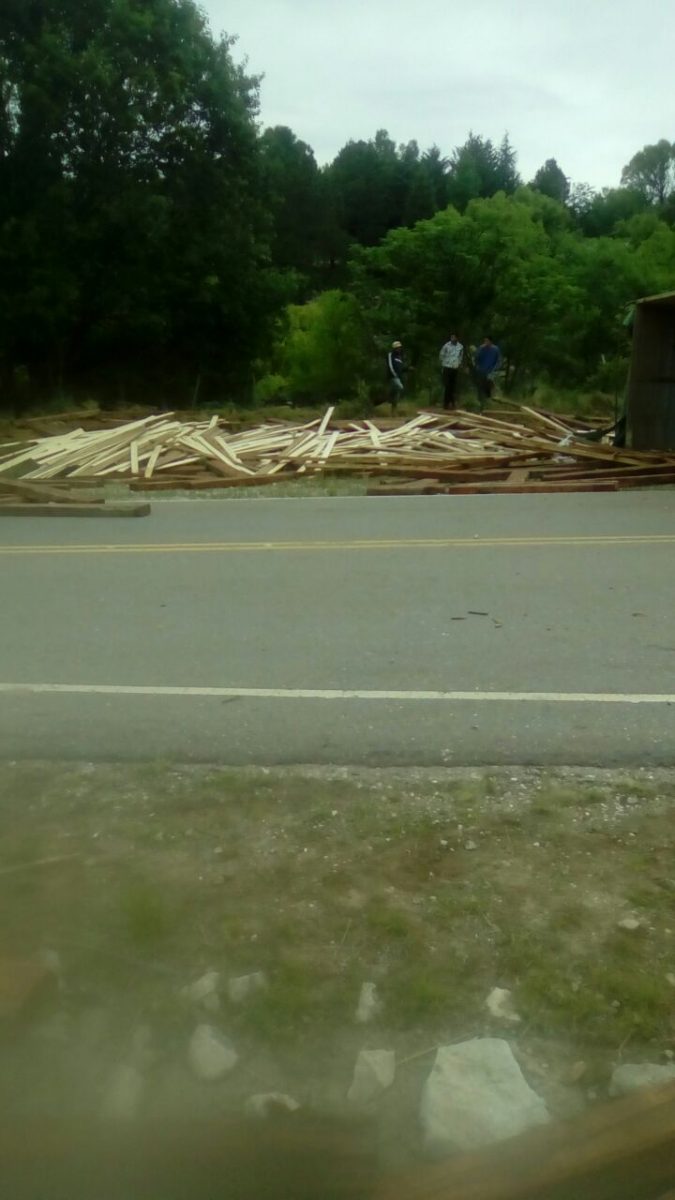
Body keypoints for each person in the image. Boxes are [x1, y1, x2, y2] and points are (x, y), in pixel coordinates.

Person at [473, 336, 502, 411]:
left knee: (489, 385)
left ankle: (488, 400)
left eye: (487, 341)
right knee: (480, 386)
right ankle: (479, 401)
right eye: (485, 341)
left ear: (491, 342)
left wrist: (495, 368)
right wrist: (477, 365)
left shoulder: (495, 349)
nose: (486, 342)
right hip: (481, 370)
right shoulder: (481, 348)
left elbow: (498, 360)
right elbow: (476, 358)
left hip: (491, 371)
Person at [438, 333, 463, 410]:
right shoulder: (446, 345)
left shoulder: (460, 346)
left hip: (454, 368)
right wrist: (443, 363)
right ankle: (446, 403)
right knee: (447, 386)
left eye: (454, 337)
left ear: (457, 338)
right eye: (451, 337)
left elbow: (460, 356)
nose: (452, 339)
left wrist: (458, 364)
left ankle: (452, 403)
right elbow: (441, 354)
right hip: (447, 367)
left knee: (452, 386)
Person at [385, 340, 408, 413]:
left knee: (397, 392)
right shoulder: (390, 355)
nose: (399, 349)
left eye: (400, 348)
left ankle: (393, 409)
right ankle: (388, 397)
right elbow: (390, 365)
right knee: (400, 387)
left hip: (398, 377)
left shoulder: (399, 357)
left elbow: (401, 368)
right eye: (397, 348)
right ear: (394, 348)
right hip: (392, 377)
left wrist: (408, 369)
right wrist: (394, 374)